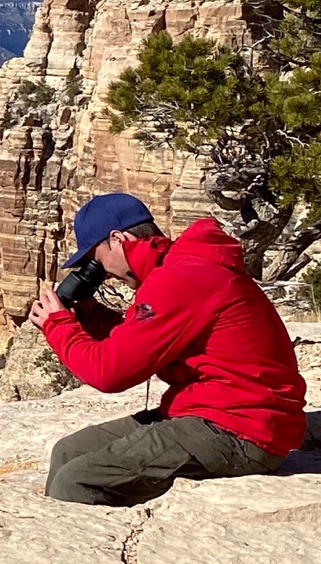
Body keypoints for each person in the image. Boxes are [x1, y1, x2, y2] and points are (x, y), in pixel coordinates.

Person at [24, 191, 305, 506]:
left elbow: (108, 374)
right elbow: (145, 342)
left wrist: (58, 326)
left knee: (75, 481)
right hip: (211, 413)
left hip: (242, 430)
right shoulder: (181, 267)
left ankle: (93, 550)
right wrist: (90, 315)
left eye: (96, 259)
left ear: (118, 239)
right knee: (69, 450)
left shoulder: (180, 277)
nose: (102, 272)